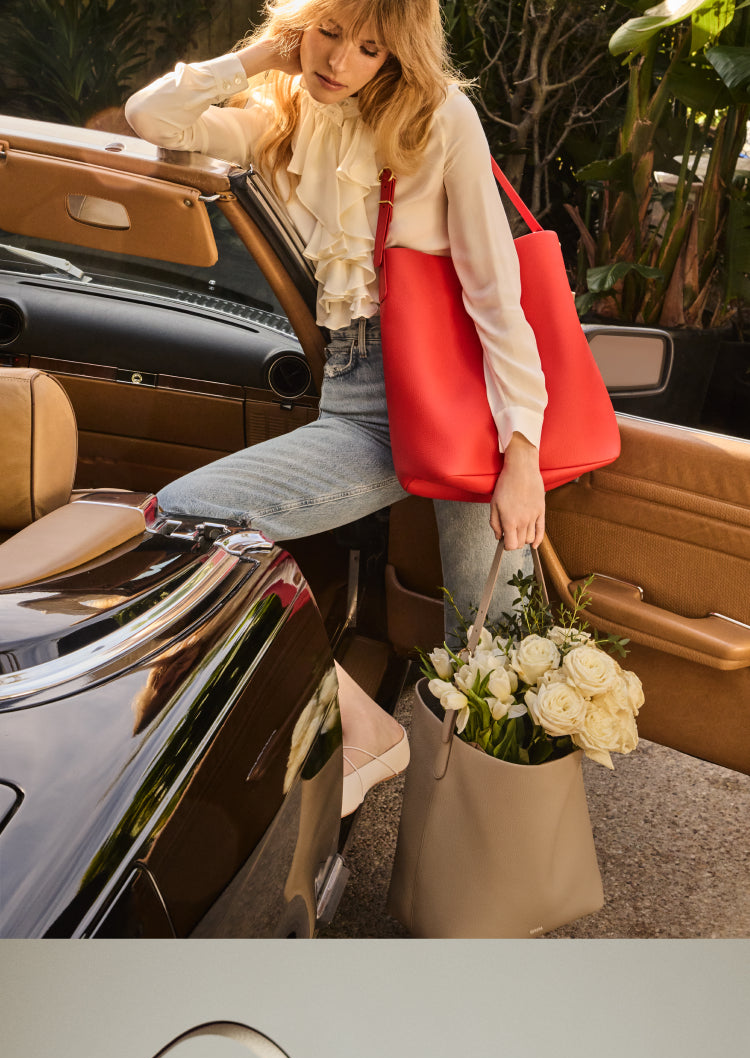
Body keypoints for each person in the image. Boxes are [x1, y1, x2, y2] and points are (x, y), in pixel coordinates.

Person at [125, 0, 547, 814]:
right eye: (328, 34)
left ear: (398, 56)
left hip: (455, 396)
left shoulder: (440, 117)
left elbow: (498, 297)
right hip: (359, 398)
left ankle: (495, 860)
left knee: (500, 655)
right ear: (298, 27)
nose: (341, 61)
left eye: (369, 48)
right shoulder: (281, 114)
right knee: (186, 518)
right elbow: (155, 116)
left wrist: (522, 451)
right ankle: (365, 727)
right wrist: (257, 61)